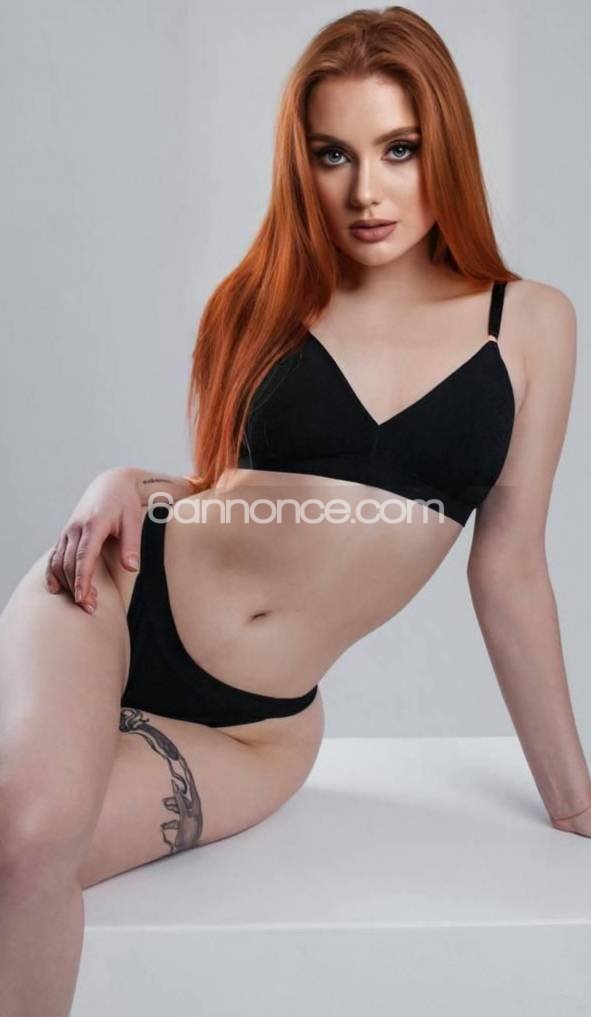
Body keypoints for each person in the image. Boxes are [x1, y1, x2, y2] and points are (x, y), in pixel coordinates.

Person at [1, 6, 589, 1016]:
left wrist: (573, 799)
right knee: (27, 839)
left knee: (21, 859)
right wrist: (121, 479)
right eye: (332, 154)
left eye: (398, 148)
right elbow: (225, 491)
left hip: (257, 732)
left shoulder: (528, 322)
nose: (365, 190)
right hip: (114, 594)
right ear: (300, 162)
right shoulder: (258, 302)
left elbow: (509, 567)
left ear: (444, 145)